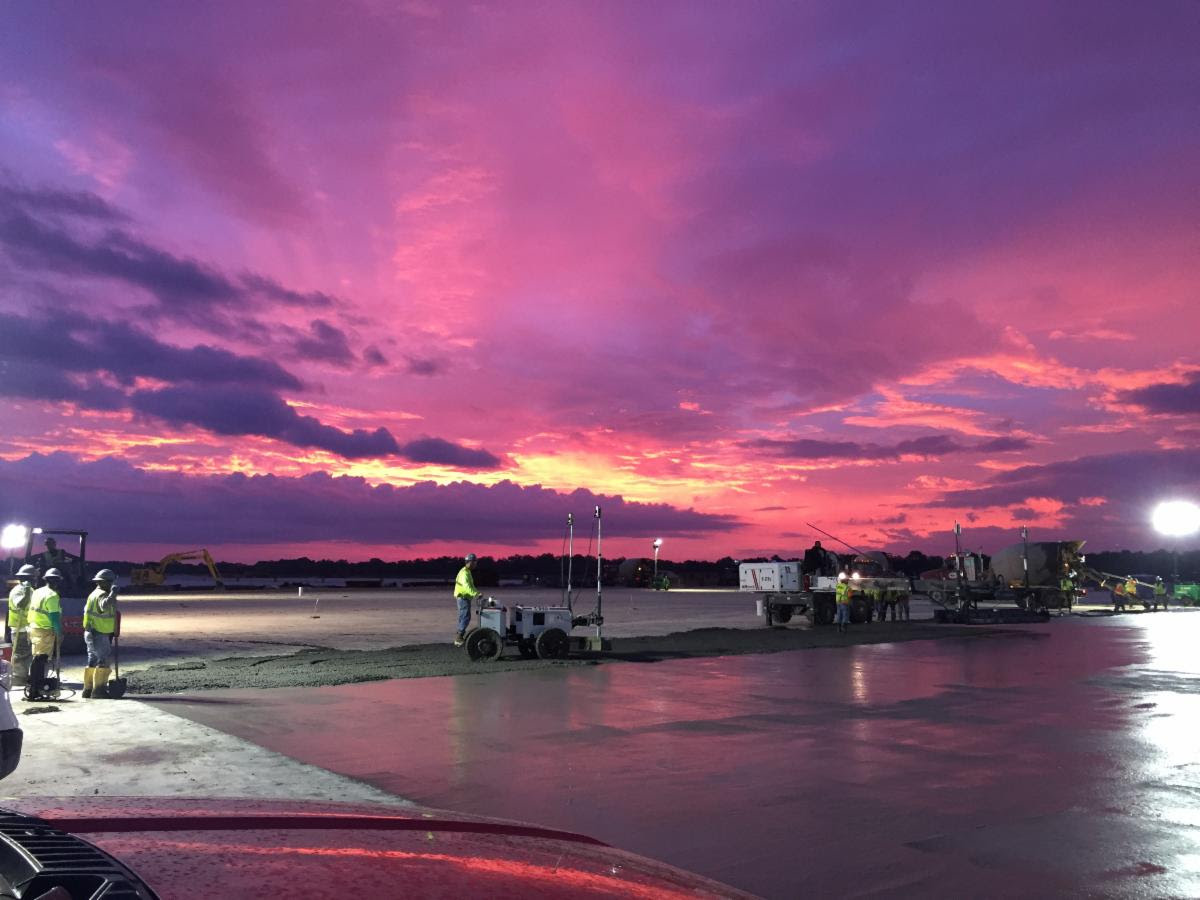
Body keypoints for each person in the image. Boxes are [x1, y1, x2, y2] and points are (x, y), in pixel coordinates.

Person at [82, 569, 119, 699]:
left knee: (92, 660)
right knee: (102, 660)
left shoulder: (93, 594)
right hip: (100, 633)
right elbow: (104, 606)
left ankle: (88, 689)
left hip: (90, 632)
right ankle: (99, 690)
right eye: (110, 583)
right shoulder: (103, 595)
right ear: (105, 583)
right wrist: (113, 594)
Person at [6, 564, 37, 686]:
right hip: (20, 628)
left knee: (26, 654)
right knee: (20, 654)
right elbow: (20, 605)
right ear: (26, 578)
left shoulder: (29, 589)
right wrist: (26, 592)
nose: (35, 579)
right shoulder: (19, 590)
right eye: (32, 577)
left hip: (27, 627)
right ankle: (18, 678)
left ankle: (23, 676)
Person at [28, 568, 63, 661]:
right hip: (45, 630)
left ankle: (35, 675)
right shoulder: (52, 596)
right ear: (58, 581)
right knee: (42, 657)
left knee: (36, 655)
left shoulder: (37, 591)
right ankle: (37, 676)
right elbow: (54, 617)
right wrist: (59, 633)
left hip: (33, 627)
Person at [453, 554, 482, 646]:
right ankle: (459, 638)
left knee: (463, 617)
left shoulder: (466, 572)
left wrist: (477, 592)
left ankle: (459, 638)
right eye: (475, 562)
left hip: (463, 597)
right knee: (465, 617)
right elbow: (466, 587)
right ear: (470, 562)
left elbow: (471, 586)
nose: (476, 564)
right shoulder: (464, 573)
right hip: (463, 597)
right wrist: (476, 594)